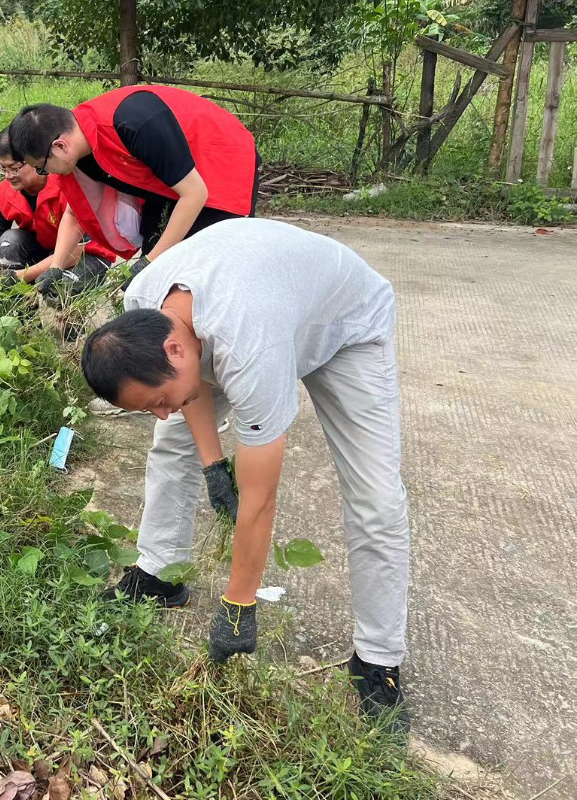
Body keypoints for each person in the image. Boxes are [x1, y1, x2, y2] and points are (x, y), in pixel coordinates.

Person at [81, 218, 410, 732]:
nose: (163, 412)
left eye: (158, 401)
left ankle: (378, 659)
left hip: (344, 325)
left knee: (375, 497)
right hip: (264, 305)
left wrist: (238, 603)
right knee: (171, 446)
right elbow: (187, 396)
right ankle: (160, 573)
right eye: (148, 407)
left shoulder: (247, 342)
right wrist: (214, 464)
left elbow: (260, 499)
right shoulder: (144, 310)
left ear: (175, 350)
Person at [6, 86, 260, 284]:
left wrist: (151, 261)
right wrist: (55, 268)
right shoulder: (78, 152)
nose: (44, 173)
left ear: (59, 146)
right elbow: (75, 213)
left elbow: (195, 194)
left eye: (41, 166)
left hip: (221, 164)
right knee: (157, 275)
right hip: (166, 185)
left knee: (202, 272)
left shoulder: (134, 122)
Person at [0, 129, 115, 298]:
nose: (8, 176)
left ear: (33, 159)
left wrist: (21, 276)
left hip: (85, 254)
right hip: (44, 250)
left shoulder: (68, 183)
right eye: (2, 168)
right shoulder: (3, 194)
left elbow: (75, 251)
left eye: (14, 168)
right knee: (10, 241)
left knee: (57, 292)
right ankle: (21, 313)